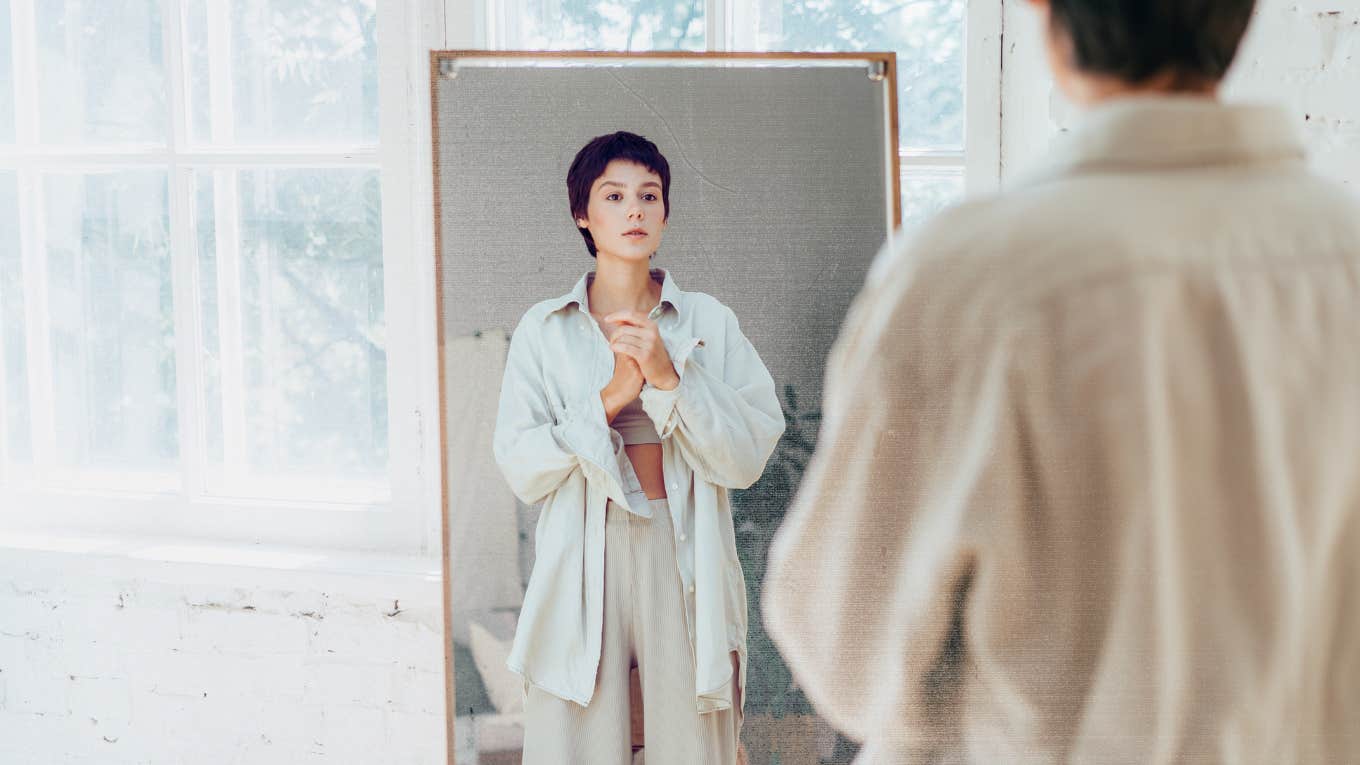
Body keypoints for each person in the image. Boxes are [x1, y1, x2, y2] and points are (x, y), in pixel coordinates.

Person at [762, 0, 1360, 762]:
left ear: (1045, 13)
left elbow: (845, 651)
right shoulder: (1345, 256)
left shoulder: (968, 279)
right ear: (1240, 18)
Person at [493, 130, 785, 764]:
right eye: (614, 195)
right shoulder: (544, 330)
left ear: (665, 212)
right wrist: (608, 398)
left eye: (649, 195)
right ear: (583, 214)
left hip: (681, 553)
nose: (634, 210)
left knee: (690, 746)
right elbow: (522, 467)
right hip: (582, 553)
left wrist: (670, 378)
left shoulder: (710, 320)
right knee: (575, 741)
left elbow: (747, 456)